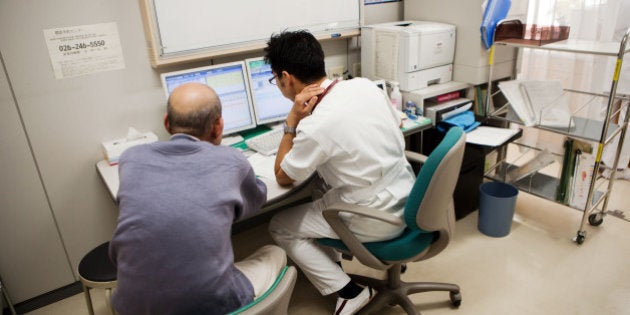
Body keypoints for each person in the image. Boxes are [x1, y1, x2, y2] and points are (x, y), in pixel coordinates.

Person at [264, 30, 416, 315]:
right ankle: (335, 272)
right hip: (408, 200)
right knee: (320, 191)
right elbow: (394, 126)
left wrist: (292, 120)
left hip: (374, 218)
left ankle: (349, 293)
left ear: (287, 78)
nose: (278, 86)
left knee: (280, 225)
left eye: (276, 80)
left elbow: (283, 176)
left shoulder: (316, 124)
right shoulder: (365, 86)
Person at [109, 82, 286, 315]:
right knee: (275, 253)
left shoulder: (131, 159)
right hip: (212, 306)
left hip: (130, 306)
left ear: (166, 123)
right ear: (219, 126)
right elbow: (254, 201)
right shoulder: (231, 160)